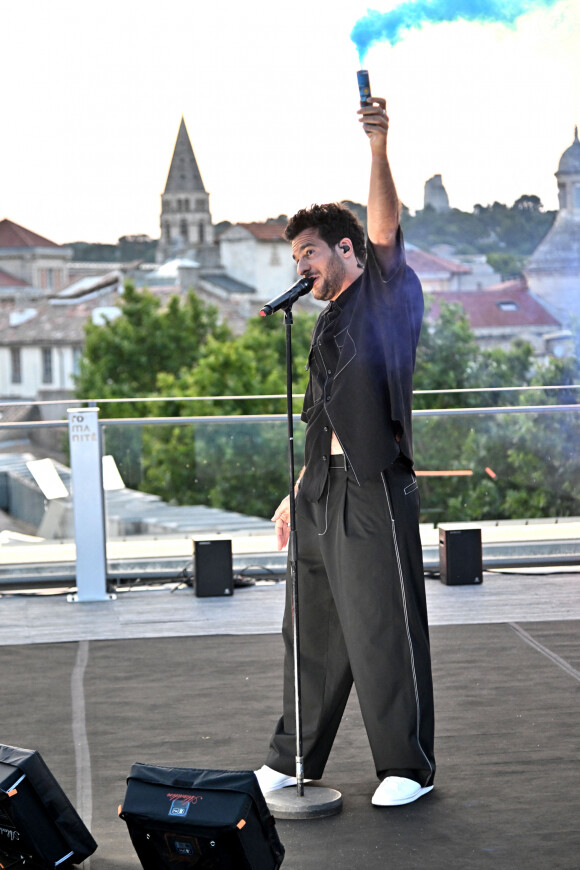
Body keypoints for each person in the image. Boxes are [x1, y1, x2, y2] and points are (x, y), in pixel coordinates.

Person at [255, 94, 436, 807]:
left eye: (310, 252)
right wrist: (296, 491)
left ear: (346, 251)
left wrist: (378, 148)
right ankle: (295, 754)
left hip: (372, 484)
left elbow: (388, 231)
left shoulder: (385, 296)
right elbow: (320, 418)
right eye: (295, 255)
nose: (302, 265)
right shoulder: (325, 322)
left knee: (381, 625)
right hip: (321, 486)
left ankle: (407, 766)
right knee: (310, 627)